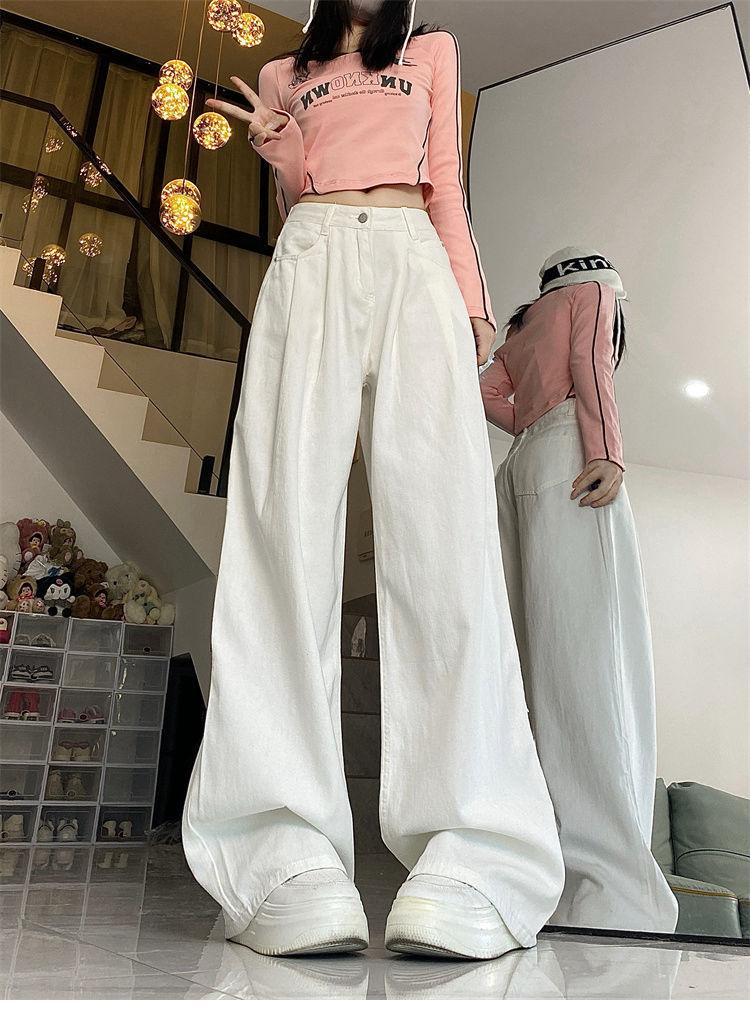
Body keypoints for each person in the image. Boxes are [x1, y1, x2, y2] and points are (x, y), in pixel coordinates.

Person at [182, 0, 565, 960]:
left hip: (413, 260)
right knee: (280, 538)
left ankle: (474, 851)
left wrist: (472, 307)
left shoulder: (429, 49)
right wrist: (284, 161)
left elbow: (447, 186)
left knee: (447, 544)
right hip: (309, 257)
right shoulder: (284, 74)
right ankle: (278, 853)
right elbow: (300, 200)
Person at [479, 247, 679, 933]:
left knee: (538, 664)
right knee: (596, 656)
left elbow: (487, 396)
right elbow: (593, 365)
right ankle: (612, 885)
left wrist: (531, 423)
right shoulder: (591, 292)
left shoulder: (522, 326)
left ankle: (550, 872)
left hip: (521, 467)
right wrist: (606, 450)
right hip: (569, 457)